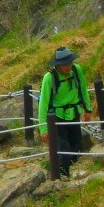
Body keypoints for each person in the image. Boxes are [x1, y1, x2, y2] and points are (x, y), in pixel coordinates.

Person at [39, 46, 93, 179]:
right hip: (57, 117)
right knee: (63, 149)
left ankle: (74, 174)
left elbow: (83, 90)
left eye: (70, 63)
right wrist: (43, 128)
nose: (68, 67)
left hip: (74, 113)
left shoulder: (77, 70)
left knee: (77, 145)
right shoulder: (49, 77)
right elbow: (43, 104)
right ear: (58, 65)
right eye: (64, 64)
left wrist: (88, 109)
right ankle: (62, 176)